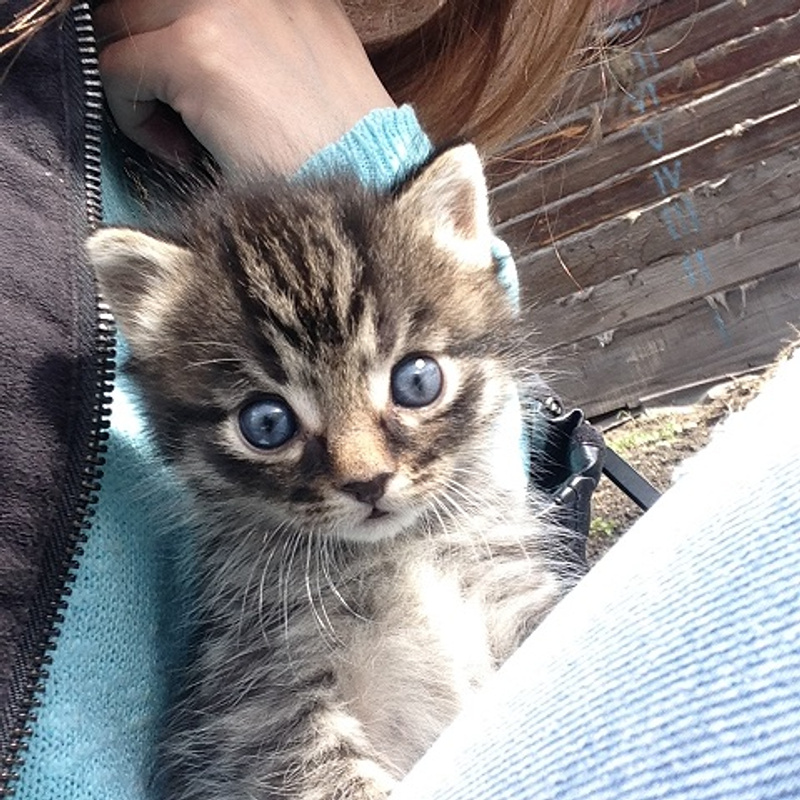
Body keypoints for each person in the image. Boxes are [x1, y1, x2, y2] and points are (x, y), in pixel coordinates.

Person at [2, 2, 799, 800]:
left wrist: (356, 142)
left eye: (414, 384)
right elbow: (278, 764)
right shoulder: (262, 576)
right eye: (269, 424)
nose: (363, 469)